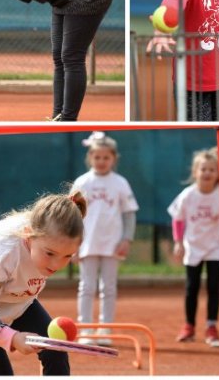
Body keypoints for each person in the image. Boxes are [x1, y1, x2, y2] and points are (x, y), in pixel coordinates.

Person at [0, 191, 86, 375]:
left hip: (18, 302)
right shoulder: (0, 255)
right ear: (28, 235)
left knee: (55, 350)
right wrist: (12, 338)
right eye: (49, 253)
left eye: (67, 256)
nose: (56, 265)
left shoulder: (49, 238)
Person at [169, 147, 219, 343]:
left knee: (213, 287)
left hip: (216, 248)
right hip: (193, 247)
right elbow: (178, 219)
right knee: (191, 287)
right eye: (203, 169)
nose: (207, 173)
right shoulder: (188, 195)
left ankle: (211, 326)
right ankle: (189, 326)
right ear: (195, 172)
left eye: (212, 169)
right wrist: (178, 242)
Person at [71, 132, 138, 345]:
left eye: (106, 157)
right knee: (86, 286)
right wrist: (73, 243)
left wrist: (127, 239)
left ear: (113, 159)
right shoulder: (82, 182)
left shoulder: (120, 183)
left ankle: (106, 330)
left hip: (112, 243)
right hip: (86, 243)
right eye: (97, 157)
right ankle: (86, 330)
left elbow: (129, 213)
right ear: (90, 157)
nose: (101, 161)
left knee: (108, 287)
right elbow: (72, 215)